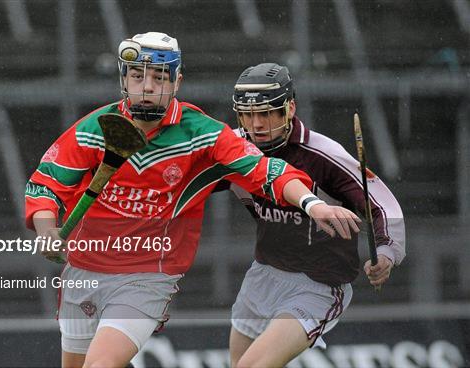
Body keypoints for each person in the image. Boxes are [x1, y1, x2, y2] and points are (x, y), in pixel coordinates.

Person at [25, 34, 360, 368]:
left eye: (159, 77)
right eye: (137, 76)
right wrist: (45, 229)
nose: (148, 86)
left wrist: (312, 203)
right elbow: (46, 185)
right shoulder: (94, 129)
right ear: (124, 78)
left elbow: (266, 170)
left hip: (146, 276)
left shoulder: (202, 134)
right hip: (83, 272)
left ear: (177, 81)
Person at [217, 63, 406, 368]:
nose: (257, 124)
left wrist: (386, 251)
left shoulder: (323, 154)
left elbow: (383, 204)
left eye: (266, 113)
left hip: (317, 286)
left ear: (289, 108)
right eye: (248, 115)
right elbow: (185, 177)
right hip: (263, 274)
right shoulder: (235, 148)